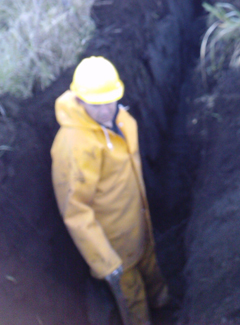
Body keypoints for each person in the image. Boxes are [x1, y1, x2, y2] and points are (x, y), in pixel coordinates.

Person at [51, 56, 169, 325]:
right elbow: (76, 212)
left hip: (139, 224)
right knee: (132, 296)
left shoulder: (120, 119)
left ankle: (166, 307)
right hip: (115, 246)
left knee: (152, 273)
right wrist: (106, 263)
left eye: (110, 101)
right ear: (80, 101)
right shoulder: (75, 147)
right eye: (97, 105)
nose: (107, 111)